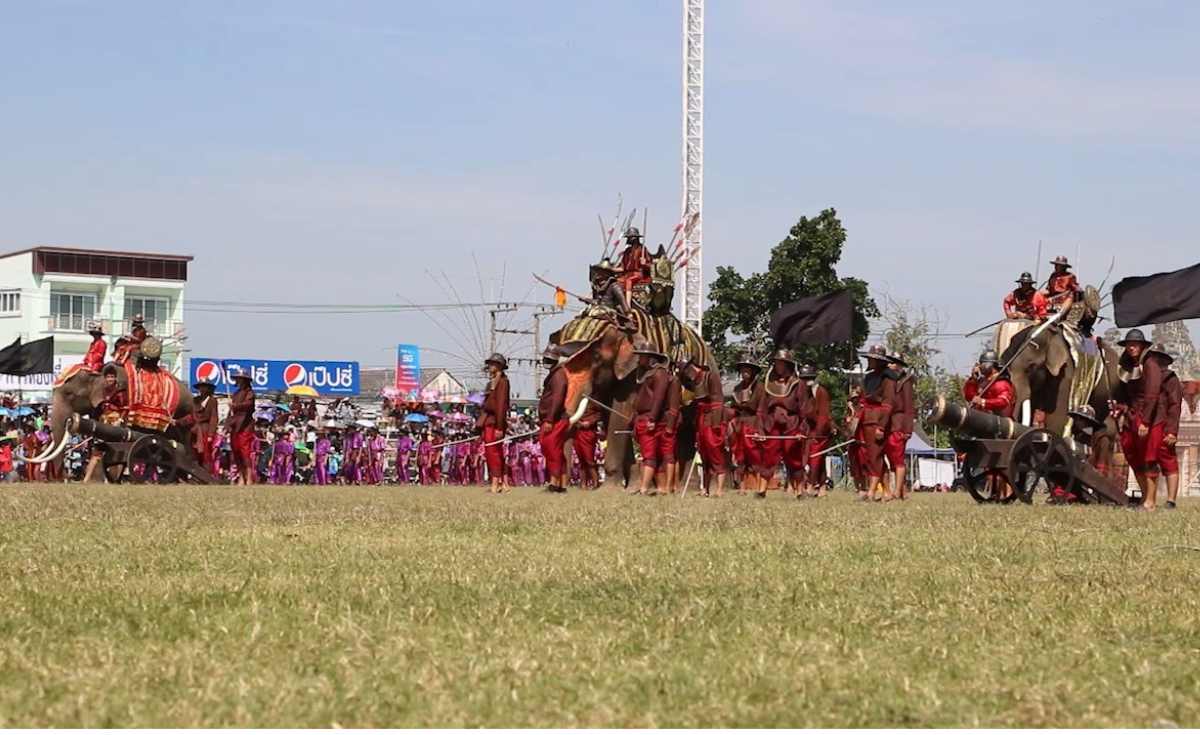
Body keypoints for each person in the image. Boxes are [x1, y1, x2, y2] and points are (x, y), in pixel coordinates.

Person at [1111, 329, 1165, 510]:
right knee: (1133, 455)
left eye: (1135, 344)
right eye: (1129, 344)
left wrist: (1146, 421)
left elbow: (1152, 394)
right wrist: (1119, 406)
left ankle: (1151, 501)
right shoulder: (1126, 364)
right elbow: (1123, 391)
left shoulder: (1150, 364)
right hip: (1131, 416)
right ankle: (1144, 497)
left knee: (1149, 457)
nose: (1131, 347)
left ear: (1142, 346)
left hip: (1150, 417)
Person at [963, 350, 1016, 501]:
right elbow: (969, 395)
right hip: (987, 426)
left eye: (982, 363)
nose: (979, 366)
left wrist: (985, 402)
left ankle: (1005, 494)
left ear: (991, 365)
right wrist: (972, 380)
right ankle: (995, 494)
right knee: (990, 466)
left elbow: (1004, 401)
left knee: (1002, 465)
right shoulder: (983, 382)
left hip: (1002, 426)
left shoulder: (1001, 383)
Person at [756, 349, 807, 498]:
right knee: (768, 456)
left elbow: (803, 410)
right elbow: (762, 409)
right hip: (772, 424)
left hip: (792, 424)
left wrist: (801, 431)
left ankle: (799, 490)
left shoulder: (798, 384)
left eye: (781, 363)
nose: (778, 366)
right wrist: (760, 429)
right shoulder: (769, 383)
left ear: (787, 365)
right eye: (776, 363)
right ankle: (761, 490)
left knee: (794, 458)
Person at [679, 358, 728, 497]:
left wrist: (716, 424)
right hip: (701, 419)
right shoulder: (694, 382)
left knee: (715, 451)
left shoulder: (711, 377)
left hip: (712, 419)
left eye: (687, 370)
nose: (687, 374)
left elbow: (718, 401)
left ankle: (719, 489)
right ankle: (705, 488)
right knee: (704, 452)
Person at [856, 345, 896, 501]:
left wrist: (881, 426)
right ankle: (886, 491)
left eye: (873, 359)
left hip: (878, 420)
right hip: (867, 418)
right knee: (873, 457)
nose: (870, 361)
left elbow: (888, 404)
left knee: (874, 456)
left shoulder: (888, 379)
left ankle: (872, 490)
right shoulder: (869, 377)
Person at [631, 339, 670, 495]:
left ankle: (644, 487)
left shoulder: (660, 373)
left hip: (650, 419)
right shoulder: (645, 374)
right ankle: (658, 487)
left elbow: (659, 398)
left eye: (642, 356)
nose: (639, 359)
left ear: (651, 358)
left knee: (650, 454)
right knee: (649, 454)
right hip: (642, 417)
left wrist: (652, 418)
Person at [1149, 344, 1184, 510]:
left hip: (1164, 425)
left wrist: (1171, 431)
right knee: (1148, 461)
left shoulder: (1170, 379)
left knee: (1168, 461)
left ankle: (1171, 500)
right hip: (1148, 425)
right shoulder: (1146, 377)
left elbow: (1175, 406)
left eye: (1156, 357)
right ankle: (1149, 498)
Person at [538, 345, 570, 493]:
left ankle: (554, 482)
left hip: (556, 419)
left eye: (550, 358)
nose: (547, 360)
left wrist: (550, 419)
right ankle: (562, 483)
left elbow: (557, 398)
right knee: (552, 449)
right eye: (546, 357)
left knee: (552, 449)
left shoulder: (559, 375)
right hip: (551, 418)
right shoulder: (554, 374)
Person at [730, 355, 763, 495]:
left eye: (748, 369)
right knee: (740, 456)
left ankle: (760, 486)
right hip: (740, 424)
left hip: (753, 423)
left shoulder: (759, 387)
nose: (745, 372)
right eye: (743, 369)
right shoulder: (737, 388)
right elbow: (734, 408)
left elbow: (759, 408)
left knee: (756, 456)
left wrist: (760, 429)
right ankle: (742, 488)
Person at [479, 353, 511, 494]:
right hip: (489, 420)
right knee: (492, 452)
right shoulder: (492, 382)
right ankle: (500, 482)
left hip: (495, 422)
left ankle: (496, 482)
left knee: (493, 452)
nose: (490, 367)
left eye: (493, 364)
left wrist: (499, 426)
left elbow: (501, 405)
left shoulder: (503, 382)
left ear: (499, 366)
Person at [884, 352, 915, 501]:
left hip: (900, 423)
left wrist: (908, 428)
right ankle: (902, 490)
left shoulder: (905, 381)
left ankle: (897, 491)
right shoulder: (888, 380)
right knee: (891, 458)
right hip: (889, 422)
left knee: (898, 459)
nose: (889, 365)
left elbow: (909, 406)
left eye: (891, 362)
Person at [799, 364, 832, 498]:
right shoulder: (803, 393)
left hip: (820, 432)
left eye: (808, 378)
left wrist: (818, 433)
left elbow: (823, 415)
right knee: (818, 459)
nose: (806, 381)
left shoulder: (820, 391)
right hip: (810, 430)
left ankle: (812, 485)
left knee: (814, 458)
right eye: (803, 378)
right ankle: (822, 487)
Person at [225, 369, 257, 485]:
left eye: (240, 378)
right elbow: (231, 411)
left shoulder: (250, 393)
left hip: (245, 426)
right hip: (235, 426)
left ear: (245, 380)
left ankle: (248, 477)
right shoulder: (235, 394)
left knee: (245, 452)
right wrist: (227, 424)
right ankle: (241, 476)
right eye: (237, 378)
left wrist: (235, 406)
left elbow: (248, 405)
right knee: (236, 452)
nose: (238, 380)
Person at [660, 361, 684, 493]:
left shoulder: (673, 381)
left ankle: (670, 485)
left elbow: (674, 406)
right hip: (662, 420)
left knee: (670, 454)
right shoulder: (661, 380)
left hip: (671, 421)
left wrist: (670, 425)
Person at [617, 227, 652, 308]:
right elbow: (622, 268)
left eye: (630, 237)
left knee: (629, 281)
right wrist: (609, 269)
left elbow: (650, 266)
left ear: (635, 238)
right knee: (613, 281)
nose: (628, 239)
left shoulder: (642, 249)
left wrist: (645, 263)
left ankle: (627, 305)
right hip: (626, 274)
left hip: (638, 274)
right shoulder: (627, 251)